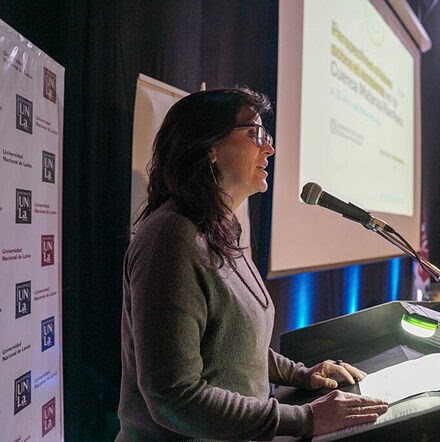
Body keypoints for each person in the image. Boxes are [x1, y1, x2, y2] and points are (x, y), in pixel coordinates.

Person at [116, 88, 388, 441]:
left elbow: (233, 346)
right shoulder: (171, 239)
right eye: (255, 134)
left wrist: (301, 375)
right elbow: (173, 397)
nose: (269, 149)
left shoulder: (218, 229)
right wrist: (304, 418)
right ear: (210, 147)